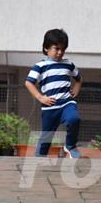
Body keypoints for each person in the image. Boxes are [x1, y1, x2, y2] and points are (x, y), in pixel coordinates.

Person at [25, 29, 83, 158]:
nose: (60, 52)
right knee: (47, 136)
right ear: (46, 48)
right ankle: (39, 159)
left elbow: (78, 79)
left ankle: (70, 145)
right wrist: (40, 97)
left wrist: (76, 89)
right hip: (50, 106)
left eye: (63, 49)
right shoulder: (40, 66)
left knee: (74, 119)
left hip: (67, 102)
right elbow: (29, 83)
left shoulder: (68, 64)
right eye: (56, 49)